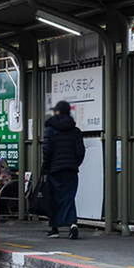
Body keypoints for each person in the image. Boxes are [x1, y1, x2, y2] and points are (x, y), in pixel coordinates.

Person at [41, 100, 85, 239]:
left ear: (58, 112)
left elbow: (47, 151)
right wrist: (74, 164)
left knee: (53, 198)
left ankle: (54, 229)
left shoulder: (50, 130)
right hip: (71, 170)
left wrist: (46, 167)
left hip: (54, 170)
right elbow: (80, 151)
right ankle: (73, 224)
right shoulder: (76, 131)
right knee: (69, 197)